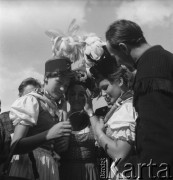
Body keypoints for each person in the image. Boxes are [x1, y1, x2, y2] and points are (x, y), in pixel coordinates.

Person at [106, 19, 173, 179]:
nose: (117, 62)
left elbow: (157, 136)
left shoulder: (148, 72)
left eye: (114, 55)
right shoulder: (166, 58)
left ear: (123, 47)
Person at [9, 58, 73, 180]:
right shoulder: (31, 101)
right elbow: (15, 147)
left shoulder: (53, 107)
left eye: (66, 85)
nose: (62, 89)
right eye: (59, 82)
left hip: (48, 167)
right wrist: (48, 134)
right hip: (29, 167)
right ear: (45, 78)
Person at [84, 47, 137, 179]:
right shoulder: (122, 106)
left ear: (119, 81)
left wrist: (100, 134)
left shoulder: (127, 108)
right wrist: (90, 111)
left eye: (105, 88)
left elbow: (119, 154)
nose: (103, 94)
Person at [59, 81, 100, 180]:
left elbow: (100, 139)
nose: (76, 98)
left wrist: (90, 111)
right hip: (66, 173)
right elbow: (60, 147)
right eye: (72, 94)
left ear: (87, 97)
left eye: (81, 94)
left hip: (92, 173)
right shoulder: (61, 119)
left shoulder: (94, 119)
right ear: (67, 97)